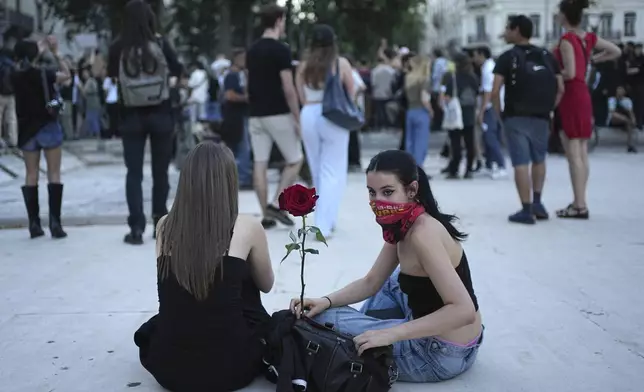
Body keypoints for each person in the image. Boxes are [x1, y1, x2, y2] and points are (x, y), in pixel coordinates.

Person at [291, 149, 481, 383]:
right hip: (465, 341)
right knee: (392, 280)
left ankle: (370, 336)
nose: (378, 201)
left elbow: (464, 310)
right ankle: (370, 332)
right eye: (372, 192)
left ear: (412, 190)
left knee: (318, 320)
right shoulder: (406, 221)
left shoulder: (423, 235)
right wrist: (325, 300)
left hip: (437, 354)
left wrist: (390, 334)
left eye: (388, 192)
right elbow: (371, 282)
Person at [134, 142, 274, 392]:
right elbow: (266, 284)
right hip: (231, 369)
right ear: (228, 182)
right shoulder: (247, 227)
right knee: (239, 279)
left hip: (170, 369)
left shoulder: (165, 226)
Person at [107, 0, 184, 244]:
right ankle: (160, 224)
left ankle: (136, 227)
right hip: (160, 113)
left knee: (134, 173)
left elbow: (110, 75)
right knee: (160, 172)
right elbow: (178, 69)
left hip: (130, 116)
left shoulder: (118, 46)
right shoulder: (159, 43)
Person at [491, 15, 564, 224]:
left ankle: (525, 209)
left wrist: (500, 113)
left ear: (516, 30)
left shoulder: (507, 57)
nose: (504, 32)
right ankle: (538, 203)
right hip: (541, 116)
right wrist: (549, 109)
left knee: (520, 162)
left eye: (507, 28)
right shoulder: (547, 56)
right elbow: (561, 88)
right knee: (539, 158)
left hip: (516, 116)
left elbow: (495, 91)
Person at [554, 0, 621, 219]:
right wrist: (593, 59)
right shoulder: (588, 38)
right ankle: (580, 201)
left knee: (574, 153)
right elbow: (616, 50)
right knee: (581, 150)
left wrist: (554, 74)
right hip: (583, 95)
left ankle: (579, 204)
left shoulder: (566, 40)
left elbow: (570, 73)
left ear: (564, 16)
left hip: (572, 95)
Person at [247, 4, 303, 229]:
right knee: (295, 159)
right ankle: (276, 204)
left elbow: (247, 82)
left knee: (259, 163)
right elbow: (288, 88)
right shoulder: (281, 50)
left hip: (255, 114)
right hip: (278, 113)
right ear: (279, 20)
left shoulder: (251, 50)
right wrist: (297, 117)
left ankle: (266, 215)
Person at [296, 24, 354, 239]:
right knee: (333, 170)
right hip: (333, 114)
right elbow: (351, 91)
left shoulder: (303, 66)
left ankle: (326, 218)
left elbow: (301, 96)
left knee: (317, 169)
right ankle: (323, 224)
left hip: (309, 112)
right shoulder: (340, 64)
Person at [13, 39, 71, 239]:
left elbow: (22, 66)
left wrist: (33, 52)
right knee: (54, 173)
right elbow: (67, 75)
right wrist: (56, 53)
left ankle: (34, 224)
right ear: (35, 55)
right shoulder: (44, 74)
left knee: (31, 174)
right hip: (48, 126)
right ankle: (55, 223)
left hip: (26, 130)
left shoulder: (14, 75)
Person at [442, 53, 480, 179]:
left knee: (456, 143)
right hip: (469, 113)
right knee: (470, 142)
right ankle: (469, 169)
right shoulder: (473, 78)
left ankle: (454, 169)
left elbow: (447, 97)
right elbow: (477, 93)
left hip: (456, 115)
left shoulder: (452, 78)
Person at [473, 46, 507, 179]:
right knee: (490, 136)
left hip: (490, 107)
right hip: (494, 106)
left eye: (476, 55)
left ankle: (500, 165)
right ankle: (489, 164)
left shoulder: (488, 69)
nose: (474, 59)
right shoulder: (489, 66)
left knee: (490, 136)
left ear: (482, 55)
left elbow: (488, 92)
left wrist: (481, 111)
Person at [222, 48, 253, 189]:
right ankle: (242, 177)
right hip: (234, 116)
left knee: (243, 146)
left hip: (242, 115)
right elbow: (229, 95)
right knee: (241, 146)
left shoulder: (242, 75)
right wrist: (246, 98)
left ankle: (242, 175)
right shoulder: (231, 76)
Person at [403, 55, 433, 167]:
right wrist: (430, 110)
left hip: (410, 110)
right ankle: (418, 166)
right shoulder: (424, 80)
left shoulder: (408, 78)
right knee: (421, 141)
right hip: (421, 111)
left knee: (410, 140)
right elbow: (424, 98)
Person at [607, 85, 638, 152]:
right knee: (617, 116)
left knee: (630, 124)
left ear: (624, 92)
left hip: (624, 120)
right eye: (618, 90)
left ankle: (630, 145)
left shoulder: (627, 101)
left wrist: (633, 119)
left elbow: (630, 112)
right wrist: (624, 118)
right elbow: (612, 112)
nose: (619, 92)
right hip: (614, 120)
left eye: (621, 90)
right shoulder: (612, 100)